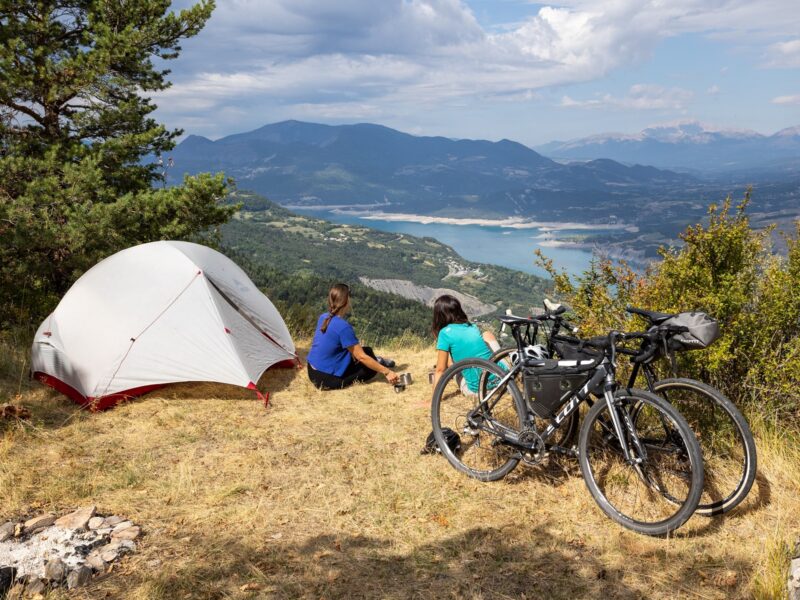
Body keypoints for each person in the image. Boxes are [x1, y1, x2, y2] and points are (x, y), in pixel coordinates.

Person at [307, 283, 399, 390]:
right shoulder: (343, 327)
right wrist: (387, 372)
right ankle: (377, 362)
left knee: (367, 351)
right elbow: (361, 357)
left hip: (312, 370)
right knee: (369, 369)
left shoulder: (324, 317)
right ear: (346, 301)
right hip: (325, 379)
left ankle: (376, 361)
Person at [431, 294, 500, 394]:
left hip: (478, 390)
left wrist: (433, 400)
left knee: (454, 368)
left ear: (439, 316)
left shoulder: (444, 333)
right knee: (487, 335)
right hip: (502, 379)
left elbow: (440, 370)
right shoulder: (472, 326)